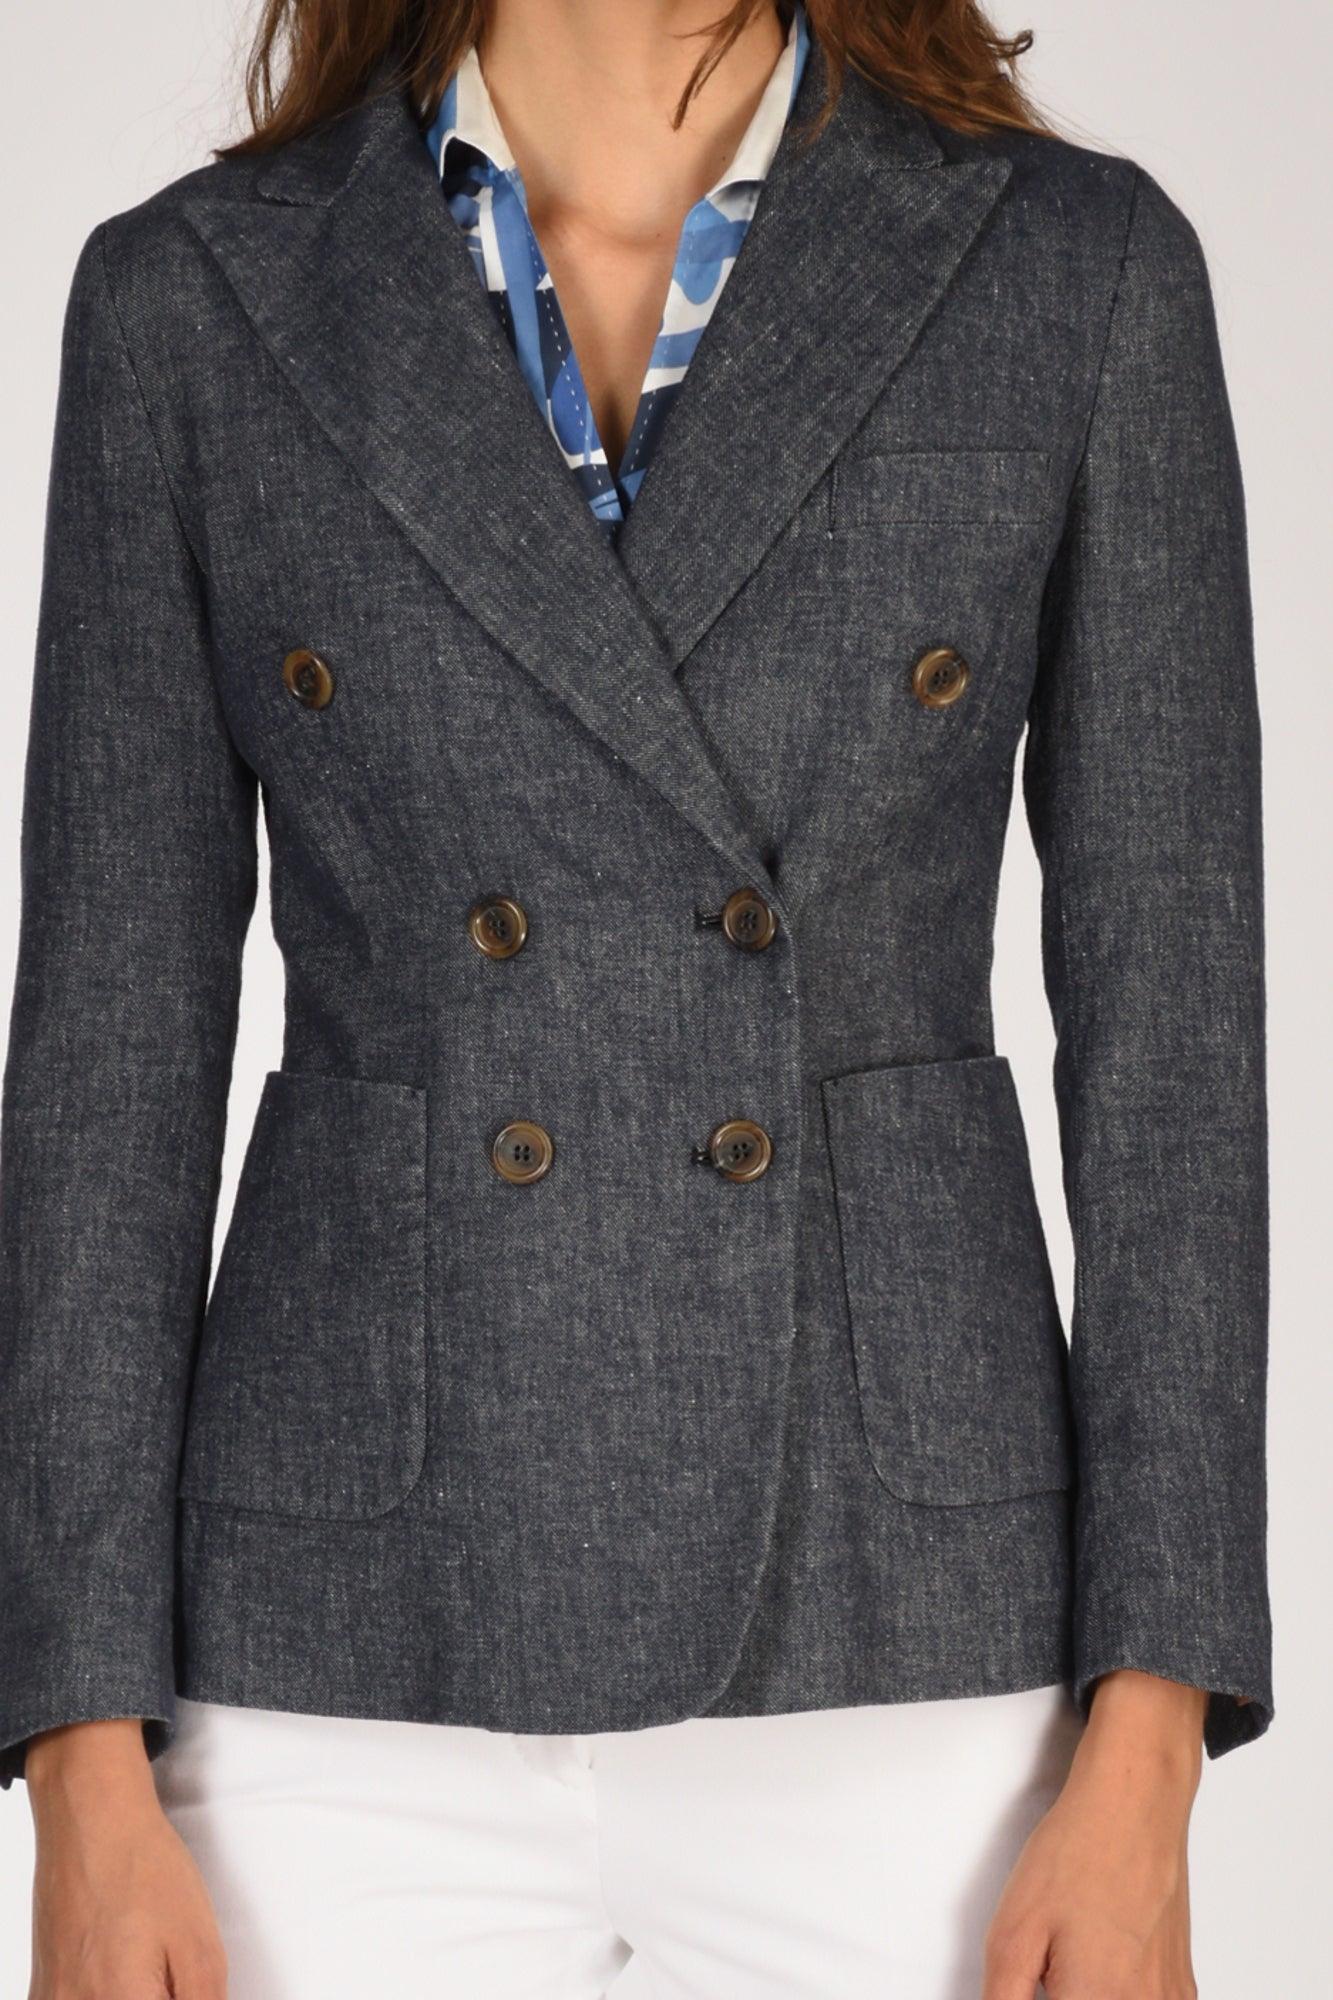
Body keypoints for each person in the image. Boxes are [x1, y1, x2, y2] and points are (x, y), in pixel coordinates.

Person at [0, 2, 1271, 1996]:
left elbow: (1173, 1046)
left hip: (904, 1627)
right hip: (343, 1632)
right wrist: (79, 1757)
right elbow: (105, 1062)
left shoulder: (1067, 268)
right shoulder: (197, 295)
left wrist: (1151, 1734)